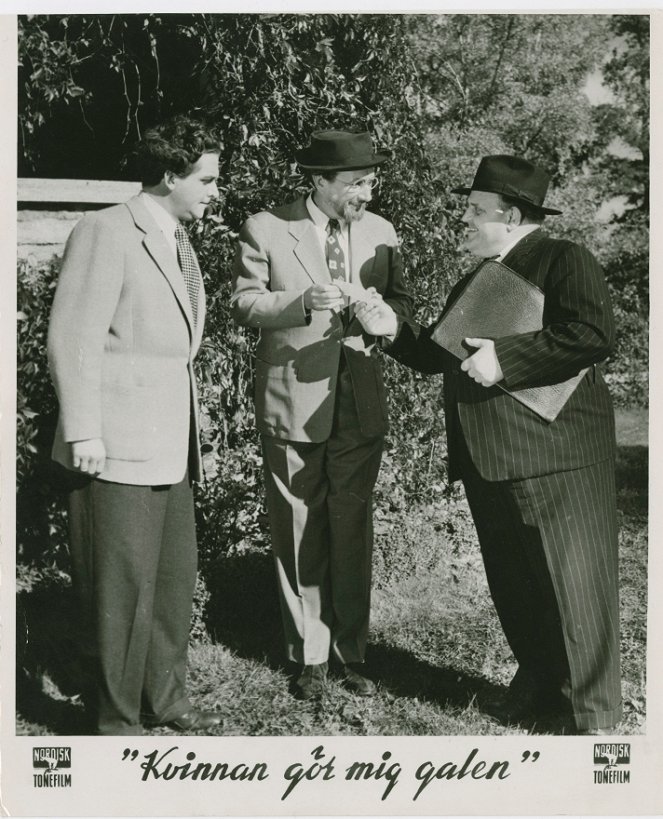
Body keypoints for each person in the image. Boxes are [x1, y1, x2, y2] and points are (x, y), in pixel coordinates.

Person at [356, 155, 622, 734]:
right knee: (517, 584)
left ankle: (592, 722)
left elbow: (593, 334)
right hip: (491, 458)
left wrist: (504, 358)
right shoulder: (479, 275)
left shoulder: (563, 258)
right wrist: (391, 329)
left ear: (513, 214)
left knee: (573, 587)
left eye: (476, 211)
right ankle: (540, 686)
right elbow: (437, 354)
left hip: (557, 457)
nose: (466, 220)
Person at [48, 116, 222, 735]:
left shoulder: (175, 236)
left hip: (169, 445)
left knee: (173, 582)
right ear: (170, 174)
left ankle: (165, 699)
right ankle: (116, 721)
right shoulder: (106, 230)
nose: (214, 190)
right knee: (118, 591)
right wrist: (83, 430)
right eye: (205, 179)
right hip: (114, 446)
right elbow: (73, 337)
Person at [231, 129, 413, 699]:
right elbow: (242, 302)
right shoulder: (267, 227)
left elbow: (401, 304)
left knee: (352, 525)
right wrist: (300, 302)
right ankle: (309, 654)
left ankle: (350, 650)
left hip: (359, 401)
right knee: (299, 526)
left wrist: (381, 313)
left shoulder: (382, 233)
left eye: (371, 180)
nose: (368, 190)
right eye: (357, 182)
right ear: (319, 182)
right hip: (292, 401)